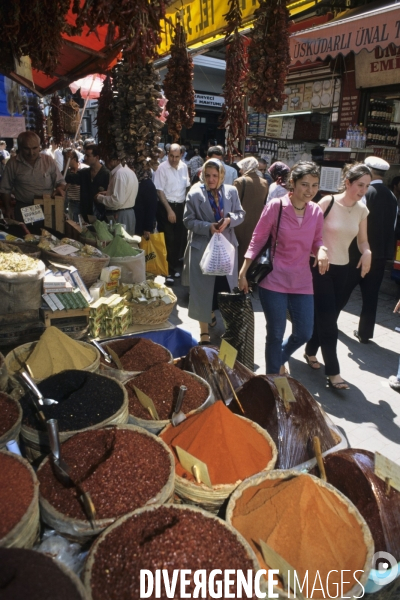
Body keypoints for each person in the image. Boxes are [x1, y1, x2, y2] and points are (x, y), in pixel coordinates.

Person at [239, 161, 328, 375]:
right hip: (274, 279)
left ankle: (279, 358)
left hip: (302, 281)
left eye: (315, 185)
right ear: (293, 183)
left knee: (305, 332)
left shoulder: (315, 211)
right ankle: (272, 381)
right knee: (276, 334)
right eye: (305, 184)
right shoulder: (276, 206)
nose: (310, 191)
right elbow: (257, 239)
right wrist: (243, 272)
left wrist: (322, 249)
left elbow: (317, 240)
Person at [305, 163, 372, 390]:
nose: (363, 190)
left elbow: (362, 240)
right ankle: (333, 372)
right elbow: (311, 233)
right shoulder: (327, 202)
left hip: (344, 270)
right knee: (327, 320)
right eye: (359, 185)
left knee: (329, 318)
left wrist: (368, 252)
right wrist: (318, 250)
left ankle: (310, 350)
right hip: (320, 267)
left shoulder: (362, 210)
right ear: (348, 183)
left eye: (367, 186)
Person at [183, 158, 245, 344]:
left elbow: (240, 214)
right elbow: (188, 221)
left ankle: (229, 327)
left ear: (221, 176)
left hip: (226, 249)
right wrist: (207, 227)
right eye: (207, 175)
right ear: (202, 175)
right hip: (203, 249)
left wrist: (229, 220)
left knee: (225, 290)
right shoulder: (194, 194)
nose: (211, 179)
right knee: (203, 292)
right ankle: (204, 332)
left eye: (215, 176)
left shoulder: (231, 192)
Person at [341, 157, 397, 344]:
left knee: (344, 289)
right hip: (380, 255)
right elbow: (394, 227)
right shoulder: (392, 196)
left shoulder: (364, 194)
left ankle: (328, 322)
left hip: (359, 253)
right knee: (371, 295)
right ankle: (365, 333)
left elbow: (354, 222)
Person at [0, 131, 65, 220]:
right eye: (27, 148)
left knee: (49, 233)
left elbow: (60, 182)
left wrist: (60, 188)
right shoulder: (12, 163)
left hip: (47, 206)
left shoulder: (48, 160)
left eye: (35, 148)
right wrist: (8, 209)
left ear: (39, 146)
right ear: (20, 148)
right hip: (24, 209)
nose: (31, 153)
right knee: (26, 233)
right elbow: (5, 189)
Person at [154, 143, 190, 284]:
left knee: (179, 239)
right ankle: (166, 270)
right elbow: (159, 190)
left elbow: (186, 187)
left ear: (181, 155)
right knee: (168, 239)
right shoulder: (162, 168)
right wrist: (169, 210)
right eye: (171, 156)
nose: (174, 159)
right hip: (165, 206)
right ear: (167, 154)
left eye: (176, 156)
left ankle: (173, 267)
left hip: (180, 206)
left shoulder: (184, 167)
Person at [234, 156, 269, 269]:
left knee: (238, 254)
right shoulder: (264, 183)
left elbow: (233, 204)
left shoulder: (240, 182)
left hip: (240, 224)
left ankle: (238, 280)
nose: (240, 170)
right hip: (257, 224)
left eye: (241, 167)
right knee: (252, 252)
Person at [95, 153, 138, 235]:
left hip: (121, 215)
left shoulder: (119, 174)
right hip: (128, 213)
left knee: (119, 242)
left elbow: (117, 200)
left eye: (108, 159)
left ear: (116, 160)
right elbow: (124, 194)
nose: (106, 162)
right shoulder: (128, 172)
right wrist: (108, 193)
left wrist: (99, 198)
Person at [65, 144, 109, 221]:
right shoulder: (84, 173)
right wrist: (68, 161)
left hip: (102, 216)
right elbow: (68, 178)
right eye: (85, 155)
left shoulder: (106, 174)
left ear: (97, 157)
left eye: (88, 156)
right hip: (86, 216)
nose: (85, 158)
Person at [64, 149, 89, 222]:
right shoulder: (67, 172)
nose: (66, 161)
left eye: (67, 159)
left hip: (83, 202)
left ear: (74, 159)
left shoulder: (85, 169)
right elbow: (64, 187)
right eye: (65, 159)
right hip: (72, 203)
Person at [134, 165, 158, 238]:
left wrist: (147, 228)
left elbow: (151, 208)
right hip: (138, 222)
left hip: (142, 225)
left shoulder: (148, 185)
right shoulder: (139, 182)